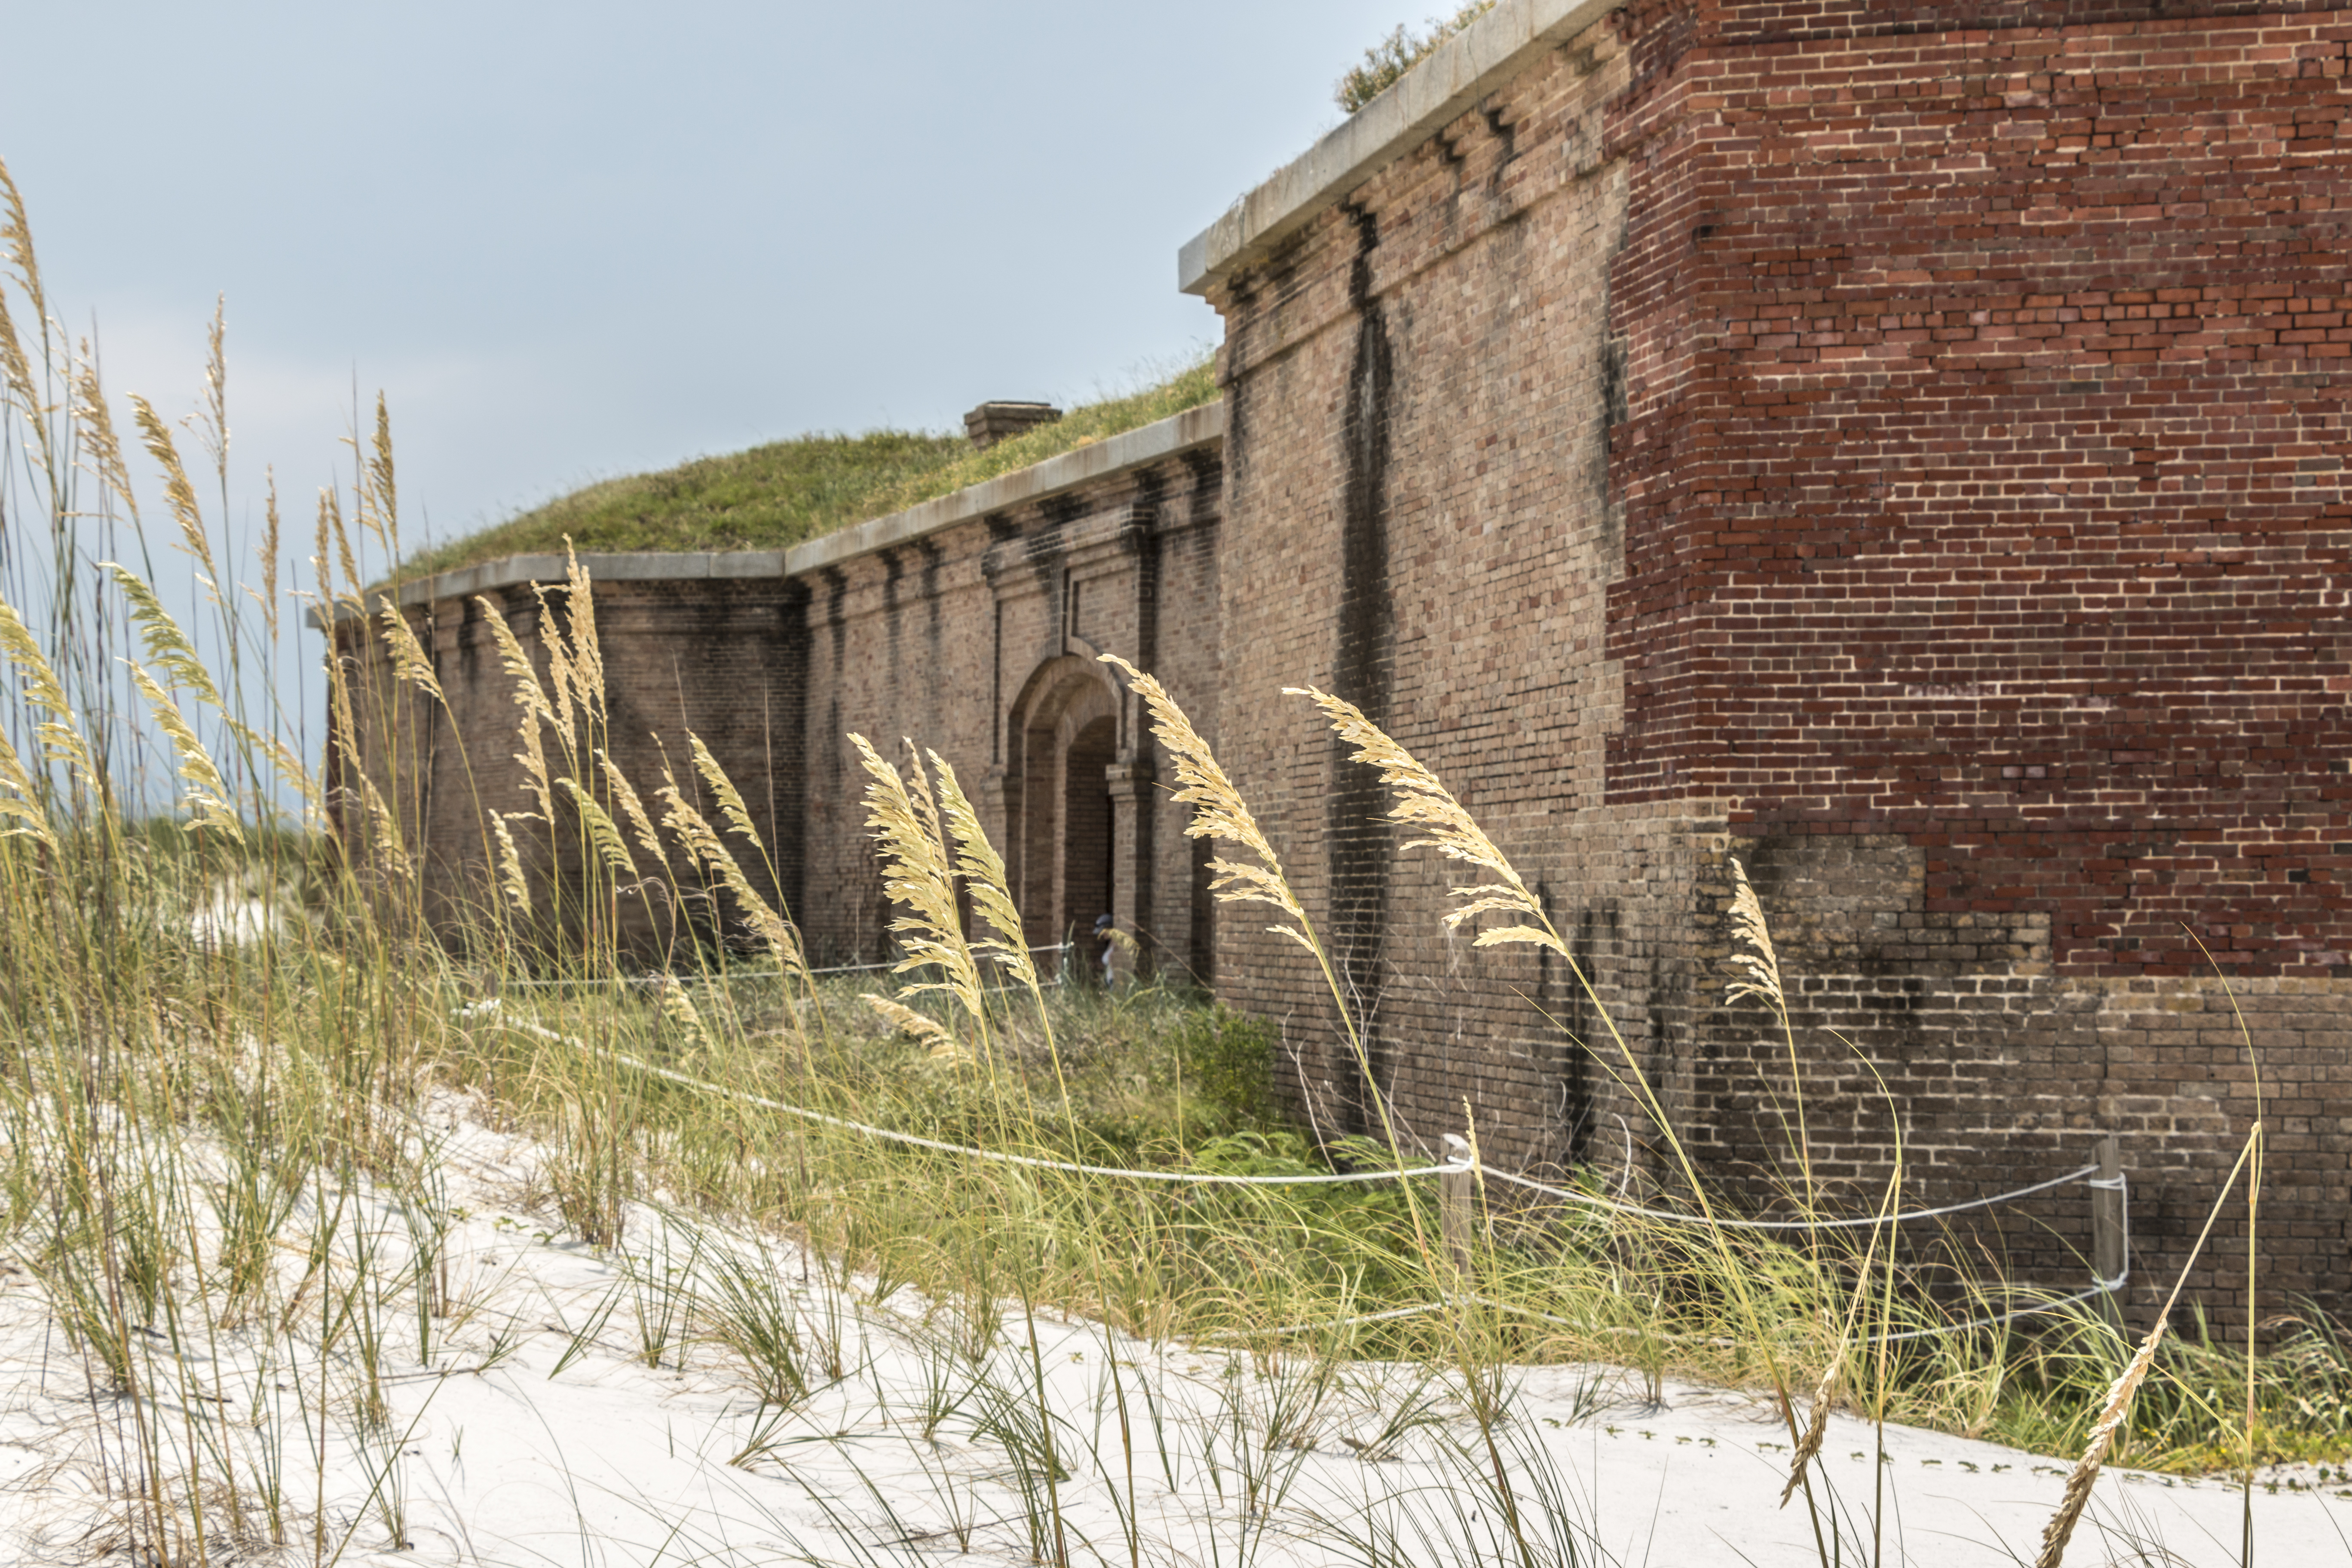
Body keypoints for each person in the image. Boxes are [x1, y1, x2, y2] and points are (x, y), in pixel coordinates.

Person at [1092, 912, 1116, 988]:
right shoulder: (1111, 942)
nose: (1102, 935)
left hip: (1114, 983)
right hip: (1109, 982)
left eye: (1103, 932)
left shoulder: (1117, 943)